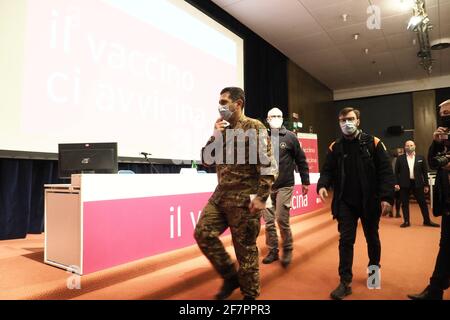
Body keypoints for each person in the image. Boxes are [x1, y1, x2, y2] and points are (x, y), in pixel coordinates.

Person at [194, 87, 278, 300]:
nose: (220, 106)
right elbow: (206, 161)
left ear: (238, 103)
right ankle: (230, 277)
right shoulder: (221, 129)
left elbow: (269, 166)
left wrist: (261, 197)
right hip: (220, 196)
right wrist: (215, 136)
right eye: (219, 102)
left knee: (245, 250)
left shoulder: (254, 127)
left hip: (244, 199)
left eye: (224, 102)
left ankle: (250, 295)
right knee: (203, 233)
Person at [317, 107, 395, 300]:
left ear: (358, 120)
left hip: (370, 201)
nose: (346, 123)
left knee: (372, 238)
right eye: (342, 120)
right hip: (345, 202)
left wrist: (386, 197)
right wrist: (322, 185)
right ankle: (345, 282)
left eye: (350, 119)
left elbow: (385, 171)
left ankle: (374, 273)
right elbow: (327, 170)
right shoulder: (335, 147)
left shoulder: (374, 143)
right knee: (345, 241)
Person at [408, 99, 450, 300]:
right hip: (448, 202)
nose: (445, 117)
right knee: (446, 246)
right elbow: (434, 162)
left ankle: (435, 289)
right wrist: (436, 141)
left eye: (448, 113)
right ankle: (435, 290)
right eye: (442, 114)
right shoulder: (443, 139)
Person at [262, 107, 310, 267]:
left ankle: (287, 248)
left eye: (278, 116)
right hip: (266, 187)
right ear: (267, 120)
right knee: (269, 222)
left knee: (282, 219)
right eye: (272, 116)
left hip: (285, 185)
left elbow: (301, 160)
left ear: (282, 118)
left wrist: (305, 181)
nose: (275, 118)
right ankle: (273, 250)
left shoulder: (290, 137)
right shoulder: (261, 137)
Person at [395, 140, 439, 228]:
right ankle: (406, 221)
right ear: (405, 147)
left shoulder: (421, 158)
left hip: (418, 184)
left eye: (411, 145)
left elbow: (424, 172)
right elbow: (396, 172)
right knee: (404, 203)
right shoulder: (400, 158)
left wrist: (426, 185)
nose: (409, 147)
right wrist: (396, 183)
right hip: (404, 184)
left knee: (423, 203)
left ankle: (427, 221)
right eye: (407, 145)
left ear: (415, 146)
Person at [387, 147, 404, 218]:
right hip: (394, 182)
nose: (401, 153)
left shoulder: (402, 160)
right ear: (396, 153)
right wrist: (395, 183)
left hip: (400, 181)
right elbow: (394, 172)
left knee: (398, 198)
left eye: (402, 152)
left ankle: (397, 212)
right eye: (400, 152)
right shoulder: (395, 160)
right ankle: (391, 212)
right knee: (393, 198)